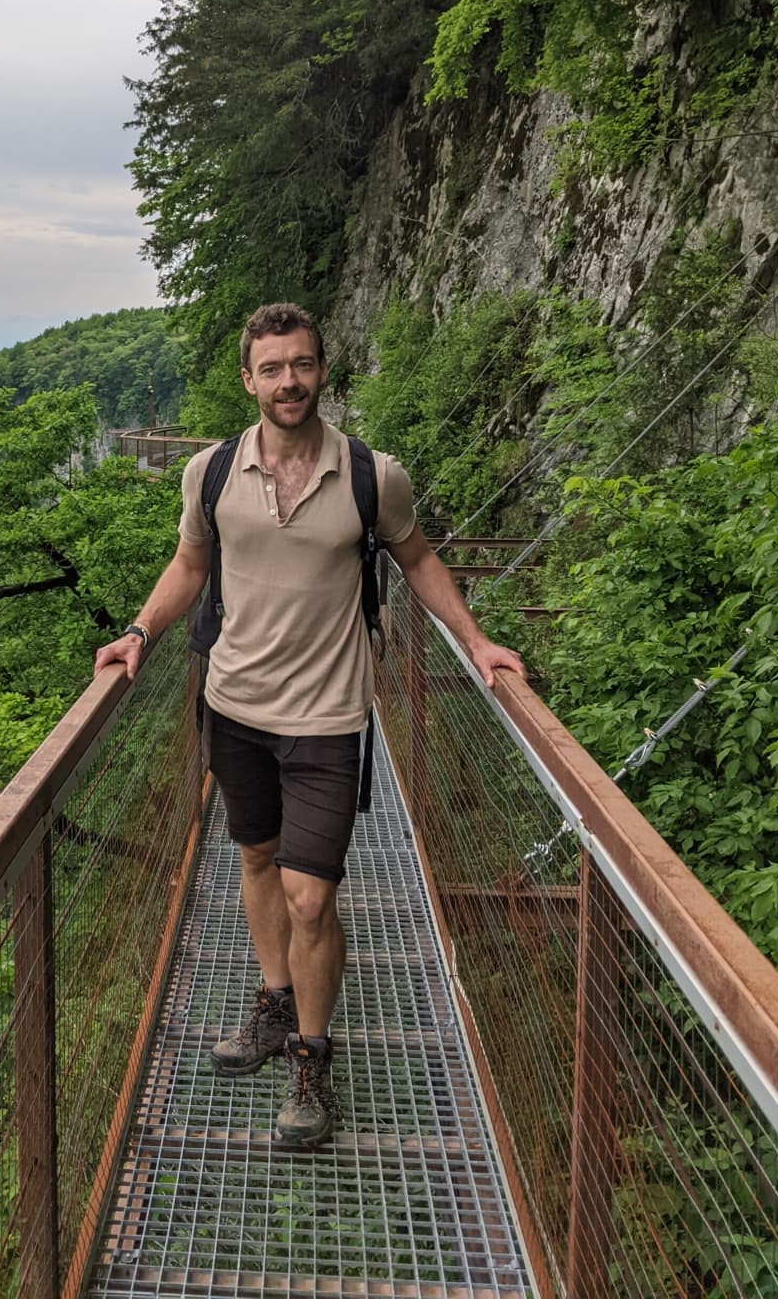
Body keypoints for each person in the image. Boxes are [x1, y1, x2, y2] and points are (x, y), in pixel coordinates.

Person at [94, 302, 525, 1147]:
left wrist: (475, 642)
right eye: (272, 368)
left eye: (302, 364)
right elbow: (190, 565)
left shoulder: (372, 475)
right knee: (256, 859)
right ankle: (273, 998)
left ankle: (311, 1057)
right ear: (247, 379)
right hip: (234, 707)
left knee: (311, 895)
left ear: (323, 370)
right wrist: (141, 633)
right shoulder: (212, 473)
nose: (288, 381)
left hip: (329, 718)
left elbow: (419, 558)